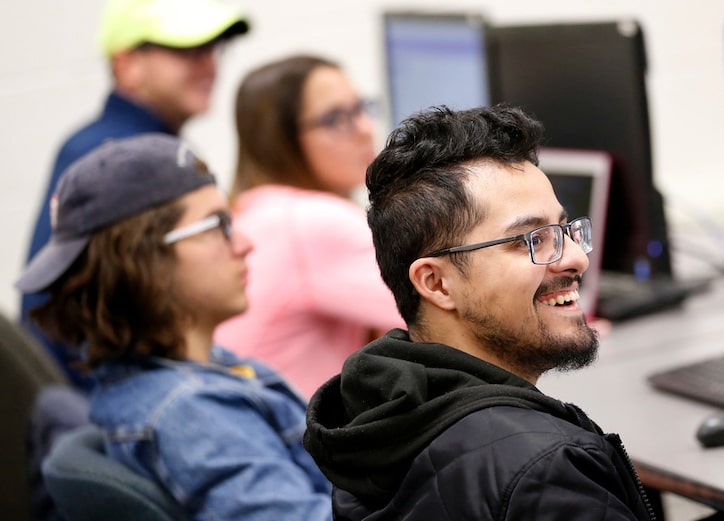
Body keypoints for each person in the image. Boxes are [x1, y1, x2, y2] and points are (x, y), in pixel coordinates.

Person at [303, 105, 655, 520]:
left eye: (565, 231)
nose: (576, 258)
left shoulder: (377, 424)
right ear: (435, 283)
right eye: (531, 239)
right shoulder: (545, 468)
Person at [17, 134, 332, 521]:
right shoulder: (191, 412)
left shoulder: (191, 374)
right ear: (143, 260)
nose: (245, 243)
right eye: (217, 225)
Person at [22, 0, 250, 391]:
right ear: (127, 63)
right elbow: (57, 312)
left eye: (214, 49)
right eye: (187, 50)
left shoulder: (151, 149)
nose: (210, 64)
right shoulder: (108, 157)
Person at [214, 55, 404, 399]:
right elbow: (450, 315)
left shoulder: (255, 209)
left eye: (360, 108)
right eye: (336, 118)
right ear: (280, 141)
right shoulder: (307, 222)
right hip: (296, 446)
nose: (363, 129)